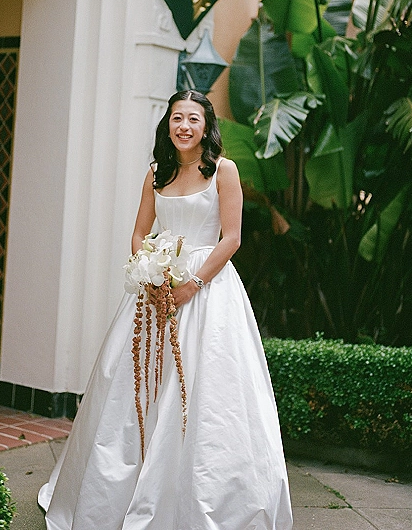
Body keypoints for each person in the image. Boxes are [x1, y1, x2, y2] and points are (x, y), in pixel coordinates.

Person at [38, 90, 293, 530]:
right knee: (132, 387)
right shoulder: (156, 173)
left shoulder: (224, 172)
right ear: (168, 125)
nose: (184, 127)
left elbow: (230, 238)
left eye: (193, 119)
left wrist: (192, 284)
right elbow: (140, 233)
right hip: (155, 290)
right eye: (177, 118)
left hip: (208, 289)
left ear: (206, 126)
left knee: (203, 390)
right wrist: (150, 271)